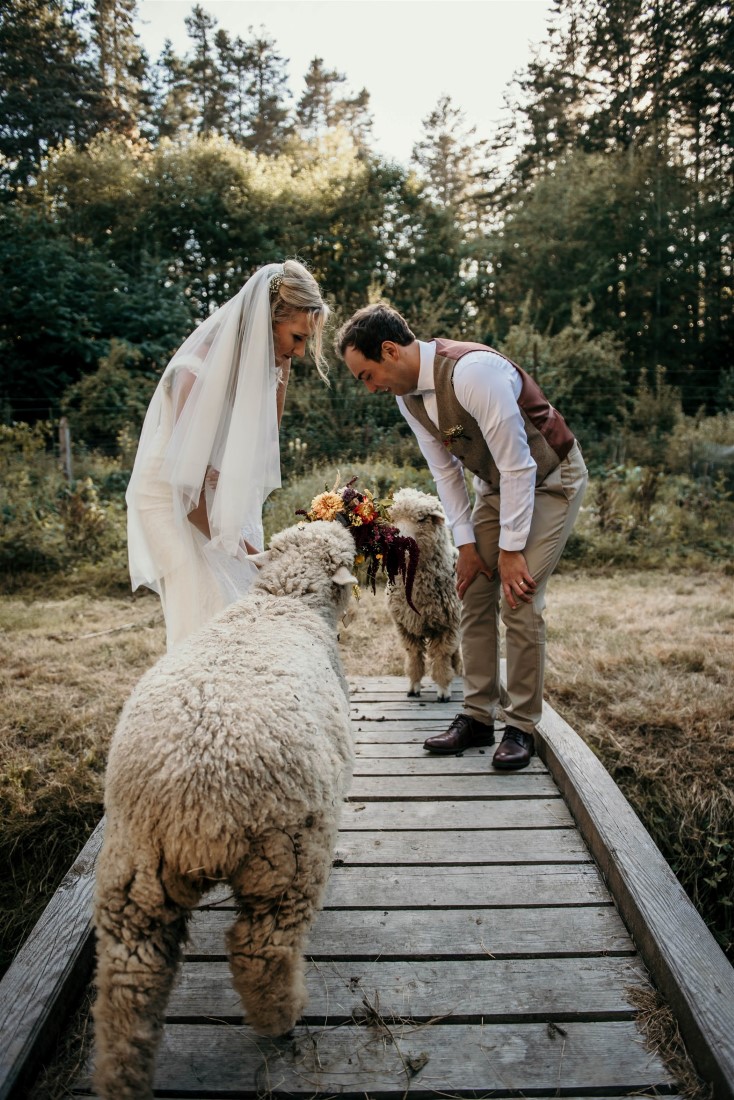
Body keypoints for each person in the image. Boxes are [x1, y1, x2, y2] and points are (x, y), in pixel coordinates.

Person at [336, 303, 587, 770]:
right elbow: (446, 474)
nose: (369, 388)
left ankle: (521, 726)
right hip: (496, 486)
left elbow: (521, 464)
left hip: (552, 479)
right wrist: (467, 547)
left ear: (390, 351)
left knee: (520, 595)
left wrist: (511, 551)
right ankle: (477, 716)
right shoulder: (407, 397)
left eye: (367, 375)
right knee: (472, 590)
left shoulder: (474, 373)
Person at [126, 260, 328, 651]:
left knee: (247, 600)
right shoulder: (194, 374)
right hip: (173, 500)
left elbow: (264, 444)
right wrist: (257, 557)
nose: (300, 352)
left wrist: (279, 370)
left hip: (214, 487)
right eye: (296, 338)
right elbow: (189, 498)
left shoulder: (264, 363)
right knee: (212, 606)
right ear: (266, 320)